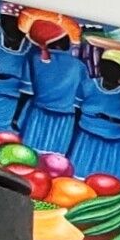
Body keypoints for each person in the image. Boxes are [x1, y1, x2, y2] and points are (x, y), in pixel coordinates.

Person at [20, 11, 88, 157]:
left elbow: (26, 93)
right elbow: (80, 100)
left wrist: (16, 117)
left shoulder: (33, 59)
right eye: (66, 38)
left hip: (37, 114)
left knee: (27, 155)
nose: (70, 42)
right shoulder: (79, 66)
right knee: (54, 159)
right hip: (65, 119)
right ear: (57, 41)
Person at [69, 50, 120, 177]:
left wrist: (111, 119)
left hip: (117, 144)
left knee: (110, 181)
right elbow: (76, 111)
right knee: (78, 177)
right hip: (86, 139)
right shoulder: (88, 84)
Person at [0, 2, 33, 138]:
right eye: (8, 22)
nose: (13, 28)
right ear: (2, 22)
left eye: (19, 24)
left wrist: (17, 116)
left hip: (17, 107)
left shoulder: (32, 51)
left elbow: (30, 89)